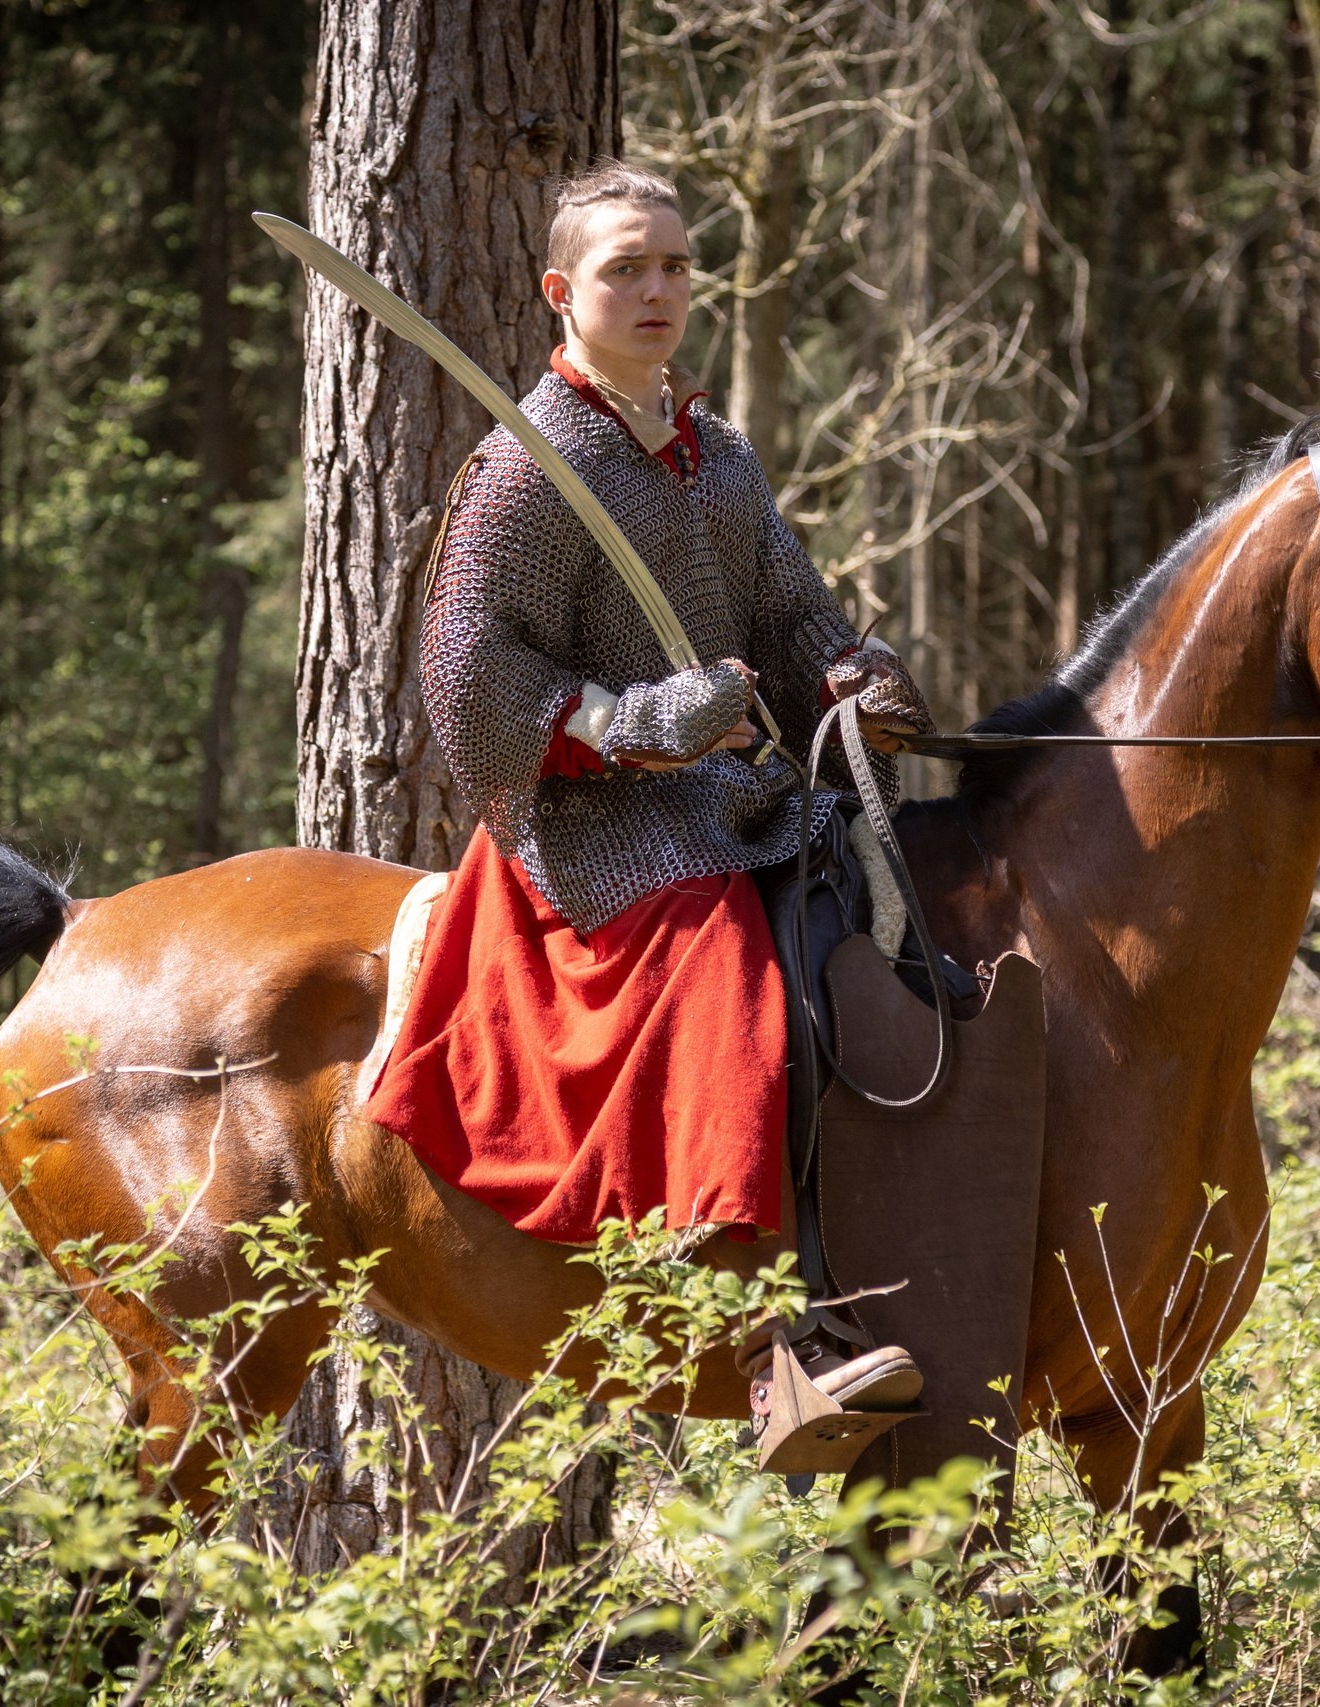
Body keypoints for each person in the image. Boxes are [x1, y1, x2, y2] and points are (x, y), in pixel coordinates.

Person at [362, 162, 937, 1417]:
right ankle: (766, 1338)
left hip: (741, 802)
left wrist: (853, 679)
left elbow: (790, 617)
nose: (659, 288)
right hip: (602, 827)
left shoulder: (716, 456)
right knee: (724, 974)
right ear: (565, 291)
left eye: (675, 264)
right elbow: (466, 676)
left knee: (907, 910)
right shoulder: (527, 468)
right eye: (627, 267)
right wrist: (631, 724)